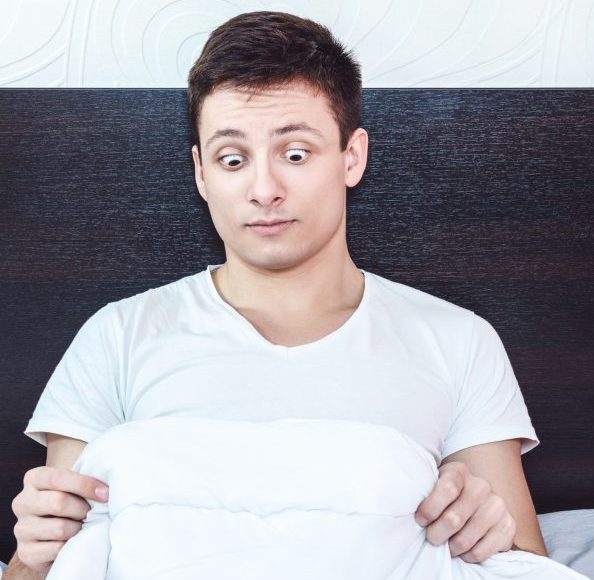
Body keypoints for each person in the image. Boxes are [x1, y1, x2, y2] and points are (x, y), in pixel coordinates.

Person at [6, 11, 547, 579]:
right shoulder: (117, 337)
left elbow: (527, 567)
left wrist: (489, 528)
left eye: (295, 153)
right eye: (232, 160)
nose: (264, 190)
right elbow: (43, 566)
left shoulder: (458, 341)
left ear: (352, 157)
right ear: (201, 173)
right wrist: (34, 556)